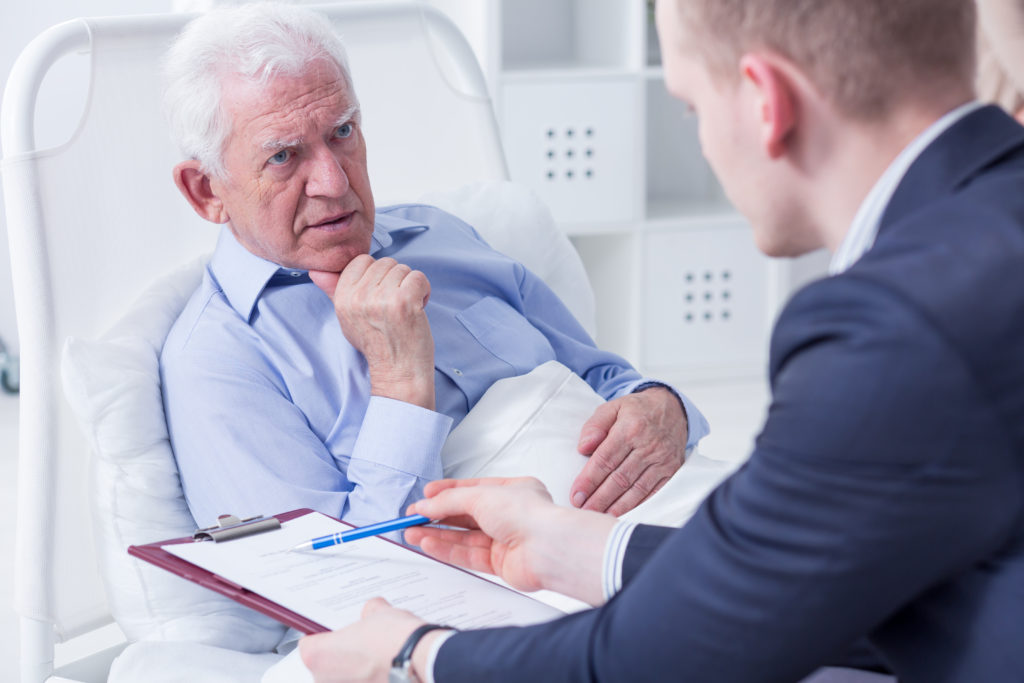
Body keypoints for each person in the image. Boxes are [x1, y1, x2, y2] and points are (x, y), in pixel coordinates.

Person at [299, 0, 1024, 681]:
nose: (702, 141)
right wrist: (577, 546)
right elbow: (833, 582)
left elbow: (666, 656)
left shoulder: (892, 327)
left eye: (692, 107)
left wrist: (418, 653)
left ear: (766, 102)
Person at [159, 2, 709, 530]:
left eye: (342, 132)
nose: (334, 181)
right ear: (206, 190)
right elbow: (330, 581)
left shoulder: (440, 234)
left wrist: (665, 408)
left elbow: (604, 378)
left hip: (688, 504)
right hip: (540, 593)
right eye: (283, 156)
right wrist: (400, 380)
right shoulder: (216, 361)